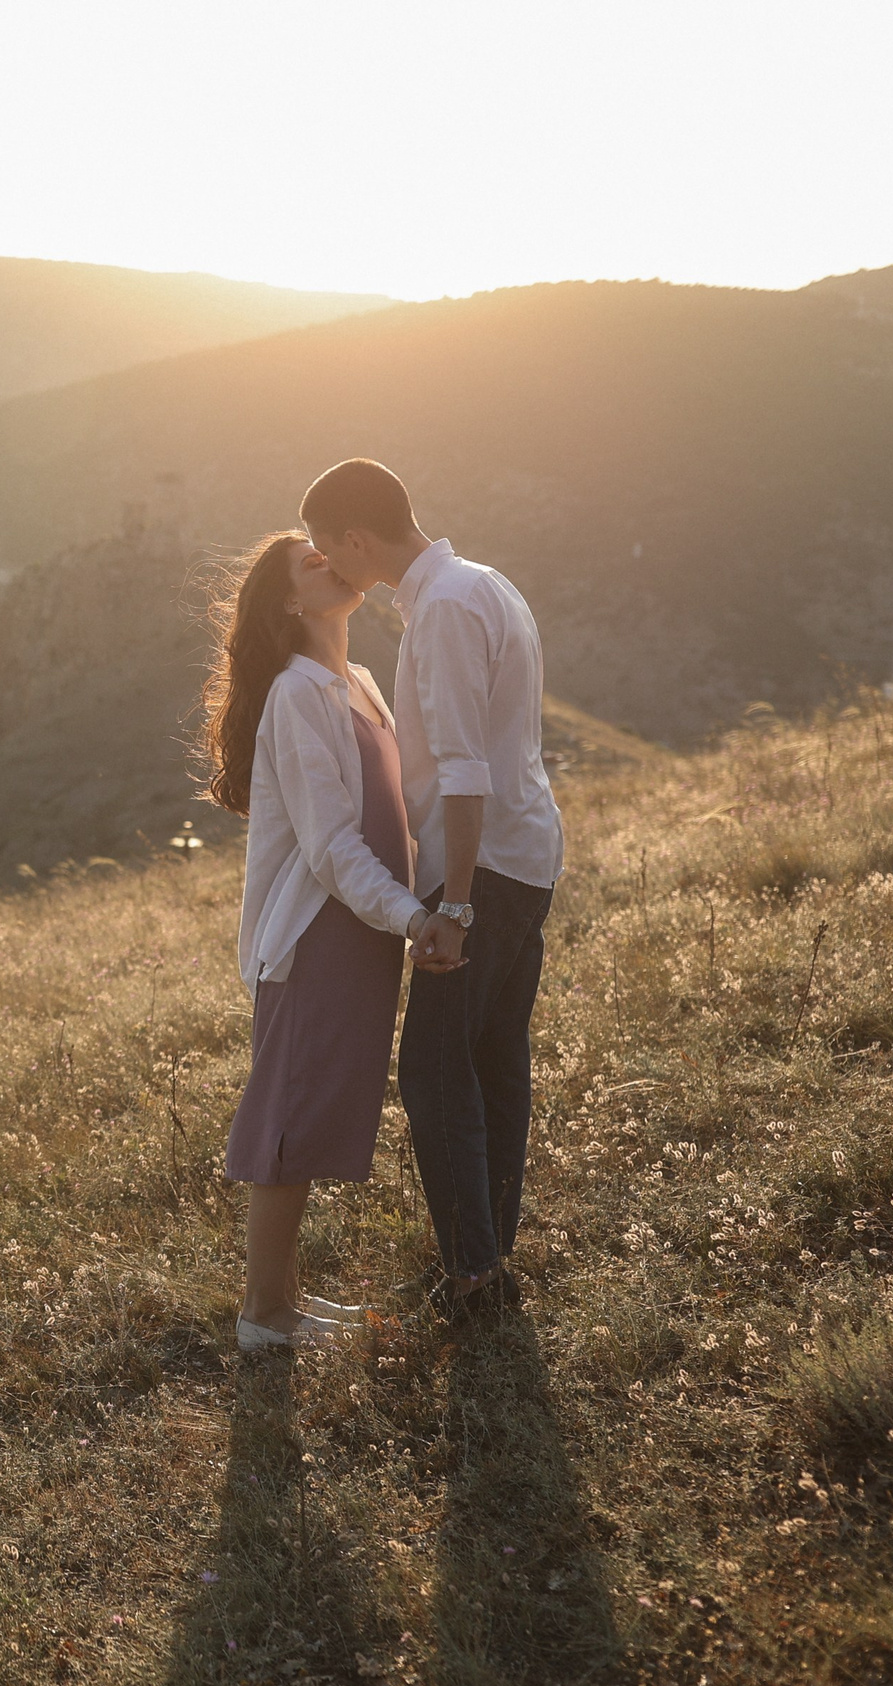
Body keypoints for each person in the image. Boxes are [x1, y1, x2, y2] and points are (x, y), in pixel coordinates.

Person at [298, 459, 565, 1322]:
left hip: (482, 868)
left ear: (356, 539)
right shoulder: (481, 582)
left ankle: (474, 1275)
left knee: (434, 1069)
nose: (328, 566)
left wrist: (453, 905)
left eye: (325, 549)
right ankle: (488, 1254)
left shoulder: (445, 608)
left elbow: (463, 767)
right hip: (526, 853)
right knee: (492, 1058)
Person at [203, 532, 438, 1351]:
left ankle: (285, 1300)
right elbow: (332, 847)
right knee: (288, 1116)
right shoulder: (297, 695)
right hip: (316, 937)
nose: (332, 559)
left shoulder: (359, 683)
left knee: (310, 1111)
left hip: (360, 934)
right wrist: (412, 916)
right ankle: (263, 1315)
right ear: (289, 603)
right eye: (311, 561)